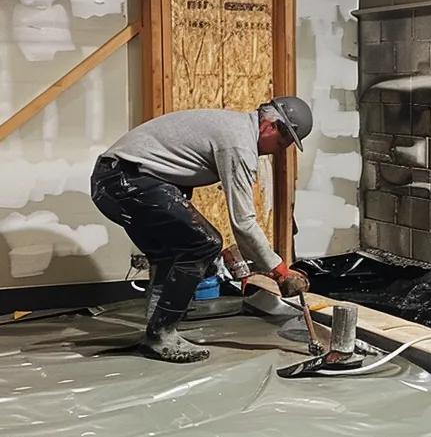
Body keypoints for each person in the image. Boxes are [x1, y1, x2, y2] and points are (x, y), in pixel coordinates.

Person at [91, 97, 313, 364]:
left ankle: (157, 332)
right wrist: (279, 271)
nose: (278, 151)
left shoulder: (234, 128)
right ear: (270, 127)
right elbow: (243, 222)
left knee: (171, 253)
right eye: (281, 144)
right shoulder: (238, 143)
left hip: (112, 180)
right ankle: (162, 334)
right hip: (127, 181)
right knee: (204, 244)